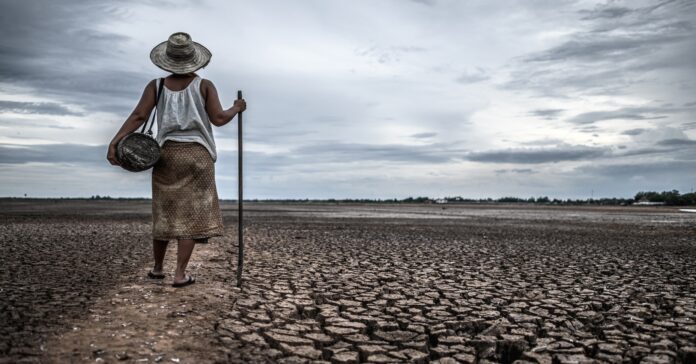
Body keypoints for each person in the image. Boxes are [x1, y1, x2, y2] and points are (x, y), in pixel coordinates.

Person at [107, 32, 246, 287]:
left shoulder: (156, 86)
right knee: (191, 216)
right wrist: (236, 109)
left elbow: (139, 116)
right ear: (194, 60)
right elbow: (218, 118)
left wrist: (116, 141)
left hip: (165, 155)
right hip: (198, 156)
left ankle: (158, 268)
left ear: (167, 60)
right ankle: (180, 274)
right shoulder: (204, 85)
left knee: (164, 211)